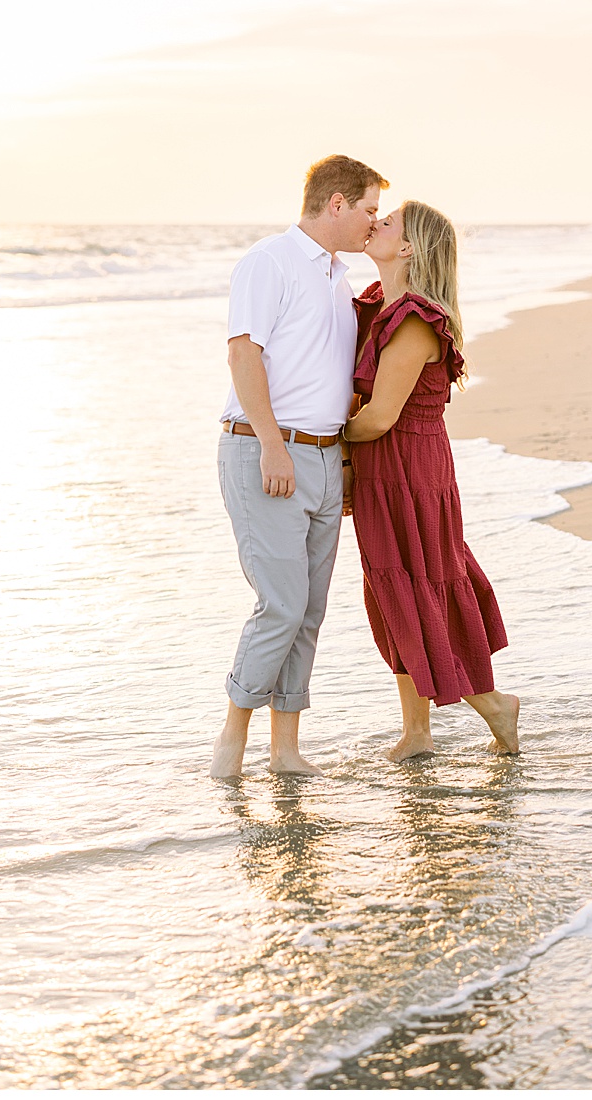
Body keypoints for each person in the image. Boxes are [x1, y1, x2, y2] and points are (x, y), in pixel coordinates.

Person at [212, 155, 386, 779]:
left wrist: (337, 456)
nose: (374, 222)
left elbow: (325, 376)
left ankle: (284, 749)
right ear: (336, 204)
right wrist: (274, 445)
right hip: (267, 451)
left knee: (308, 610)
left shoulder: (337, 278)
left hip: (321, 456)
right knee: (281, 604)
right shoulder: (270, 261)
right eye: (368, 209)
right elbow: (242, 354)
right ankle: (231, 741)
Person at [345, 200, 520, 758]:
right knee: (395, 585)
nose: (375, 223)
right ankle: (417, 734)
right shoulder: (378, 304)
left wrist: (318, 445)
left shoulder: (416, 319)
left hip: (409, 470)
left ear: (409, 247)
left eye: (388, 221)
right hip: (385, 467)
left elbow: (378, 417)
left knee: (421, 584)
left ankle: (495, 705)